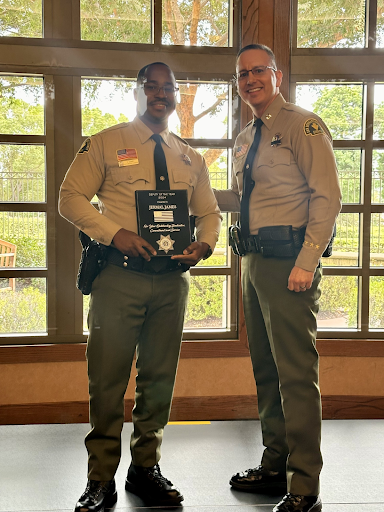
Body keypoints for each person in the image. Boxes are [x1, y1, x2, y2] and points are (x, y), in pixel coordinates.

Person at [59, 62, 221, 512]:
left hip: (171, 284)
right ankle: (100, 479)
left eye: (167, 88)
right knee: (107, 379)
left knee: (158, 381)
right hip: (119, 278)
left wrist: (203, 245)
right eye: (151, 86)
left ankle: (144, 468)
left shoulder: (189, 156)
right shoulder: (108, 142)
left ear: (174, 96)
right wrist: (115, 233)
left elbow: (209, 213)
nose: (159, 94)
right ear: (137, 92)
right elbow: (69, 197)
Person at [214, 44, 341, 512]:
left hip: (290, 263)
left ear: (277, 75)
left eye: (257, 71)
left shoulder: (302, 125)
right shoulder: (247, 135)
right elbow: (246, 199)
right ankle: (275, 465)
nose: (249, 80)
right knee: (267, 371)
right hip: (253, 263)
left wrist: (307, 260)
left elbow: (327, 196)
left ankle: (304, 486)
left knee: (296, 375)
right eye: (242, 74)